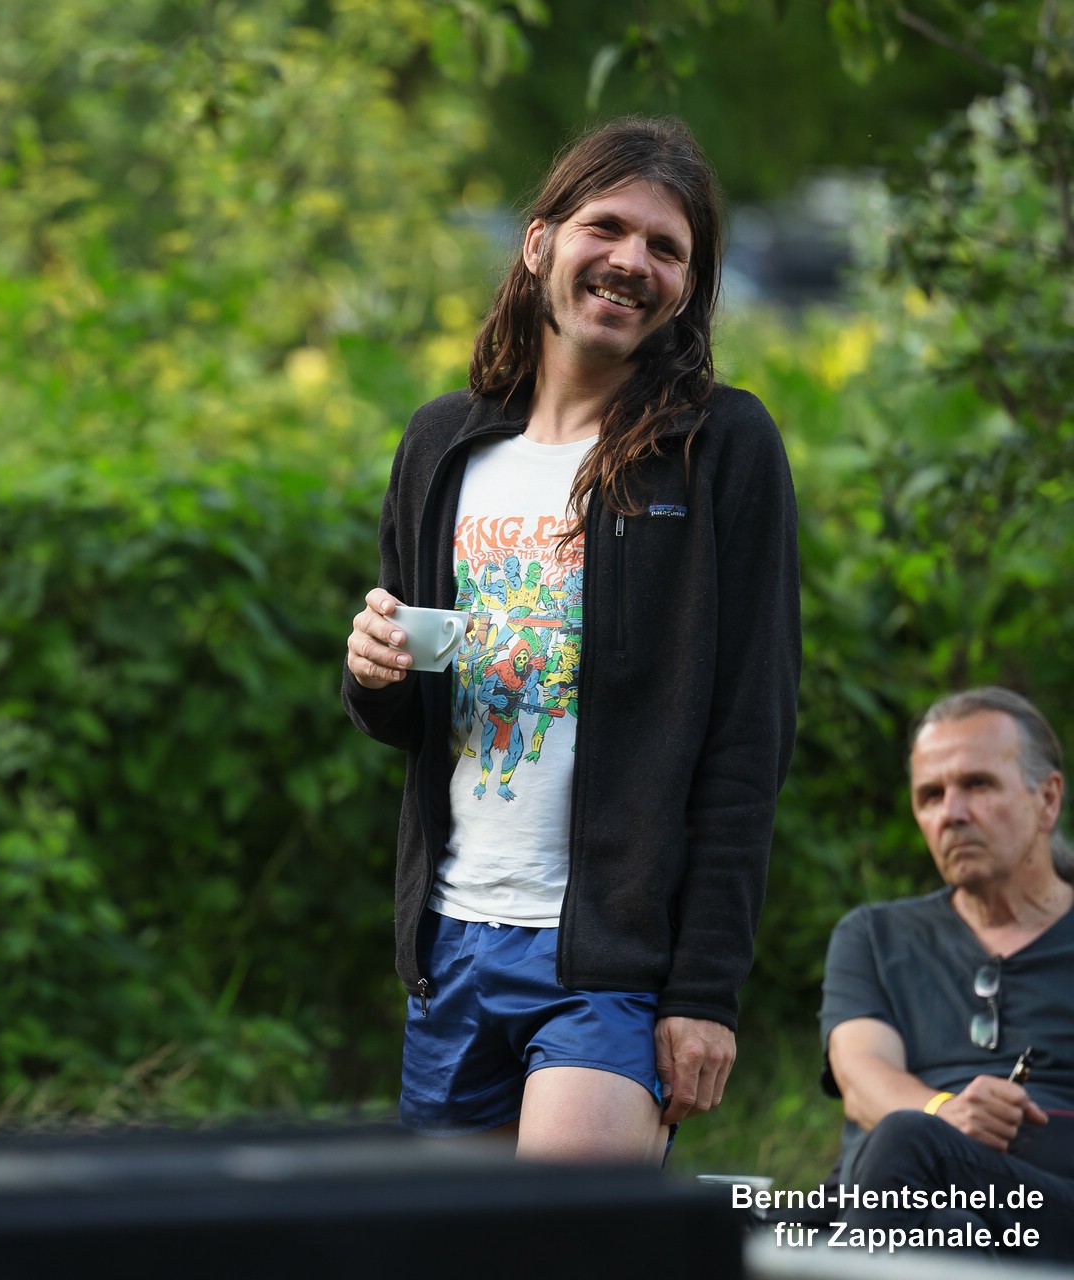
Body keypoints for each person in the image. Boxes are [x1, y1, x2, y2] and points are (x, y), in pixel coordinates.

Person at [342, 116, 800, 1161]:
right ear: (539, 241)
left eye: (667, 247)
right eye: (608, 227)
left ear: (689, 286)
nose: (633, 260)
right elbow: (414, 712)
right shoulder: (441, 443)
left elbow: (748, 738)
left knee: (564, 1236)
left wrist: (705, 991)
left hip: (612, 960)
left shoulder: (720, 448)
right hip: (452, 939)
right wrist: (374, 673)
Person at [818, 687, 1074, 1260]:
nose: (951, 814)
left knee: (908, 1141)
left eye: (978, 785)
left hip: (1051, 1212)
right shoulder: (875, 936)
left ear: (1047, 799)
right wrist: (944, 1113)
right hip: (903, 1202)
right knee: (940, 1220)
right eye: (931, 795)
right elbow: (862, 1075)